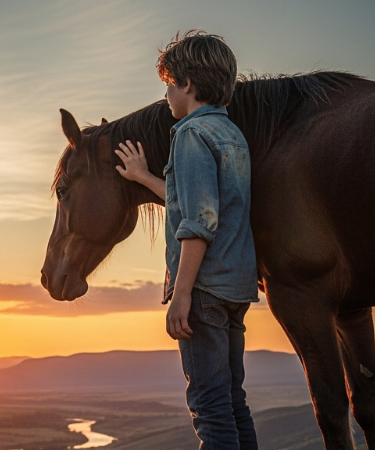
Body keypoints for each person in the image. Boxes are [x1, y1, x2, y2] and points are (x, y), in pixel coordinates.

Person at [115, 30, 259, 449]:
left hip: (204, 289)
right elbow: (202, 201)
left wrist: (182, 295)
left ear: (188, 84)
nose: (165, 95)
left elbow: (198, 223)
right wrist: (143, 177)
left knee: (208, 407)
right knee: (233, 402)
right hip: (234, 288)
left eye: (168, 84)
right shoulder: (230, 135)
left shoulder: (191, 136)